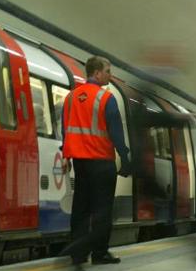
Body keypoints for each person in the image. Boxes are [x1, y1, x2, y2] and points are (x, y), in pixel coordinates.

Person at [59, 56, 131, 266]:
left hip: (80, 163)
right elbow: (116, 132)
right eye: (108, 71)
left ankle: (78, 254)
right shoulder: (106, 98)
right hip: (101, 161)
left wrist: (66, 155)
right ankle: (100, 253)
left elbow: (66, 130)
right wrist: (125, 158)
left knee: (81, 207)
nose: (110, 75)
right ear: (97, 73)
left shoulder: (71, 98)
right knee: (102, 210)